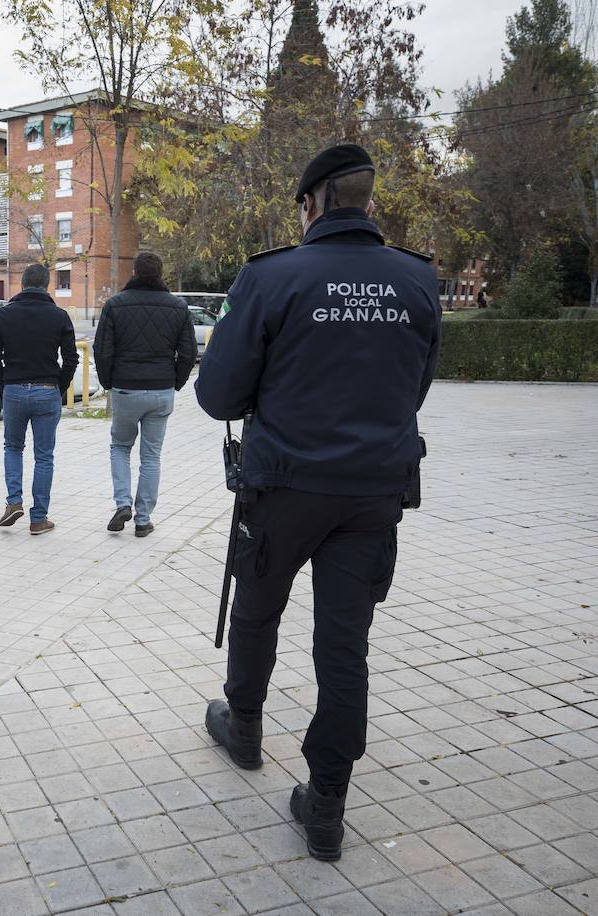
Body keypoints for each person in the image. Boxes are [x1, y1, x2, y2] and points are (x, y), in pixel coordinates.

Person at [195, 143, 440, 863]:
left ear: (313, 203)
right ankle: (326, 806)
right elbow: (415, 389)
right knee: (344, 648)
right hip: (372, 493)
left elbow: (216, 397)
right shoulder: (417, 280)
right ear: (366, 200)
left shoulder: (273, 276)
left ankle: (244, 729)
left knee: (258, 608)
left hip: (284, 486)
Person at [92, 251, 196, 537]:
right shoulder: (178, 307)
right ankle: (143, 519)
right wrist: (176, 382)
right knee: (151, 456)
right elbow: (188, 352)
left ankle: (123, 502)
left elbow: (102, 350)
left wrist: (108, 383)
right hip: (161, 390)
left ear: (134, 273)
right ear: (161, 274)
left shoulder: (115, 305)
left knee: (120, 447)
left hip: (126, 388)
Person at [0, 263, 78, 535]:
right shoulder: (59, 316)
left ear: (22, 284)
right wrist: (59, 387)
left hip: (14, 390)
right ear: (47, 285)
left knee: (13, 447)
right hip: (47, 389)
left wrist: (7, 383)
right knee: (44, 456)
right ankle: (39, 519)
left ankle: (14, 502)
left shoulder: (3, 316)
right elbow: (71, 359)